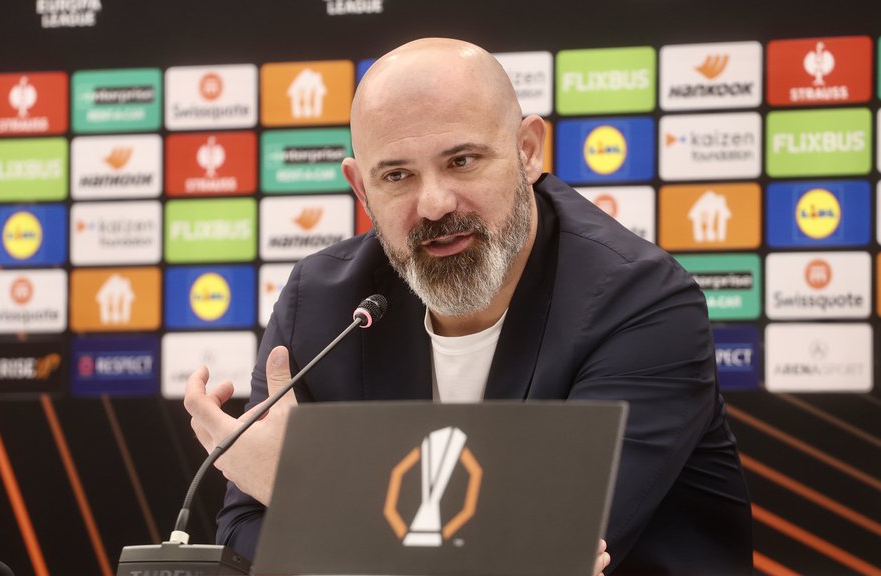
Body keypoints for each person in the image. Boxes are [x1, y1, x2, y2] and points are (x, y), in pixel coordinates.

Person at [185, 37, 753, 574]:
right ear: (361, 189)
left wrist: (306, 493)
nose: (434, 204)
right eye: (397, 175)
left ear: (527, 152)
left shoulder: (641, 303)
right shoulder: (322, 304)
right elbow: (245, 538)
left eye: (461, 161)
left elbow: (540, 551)